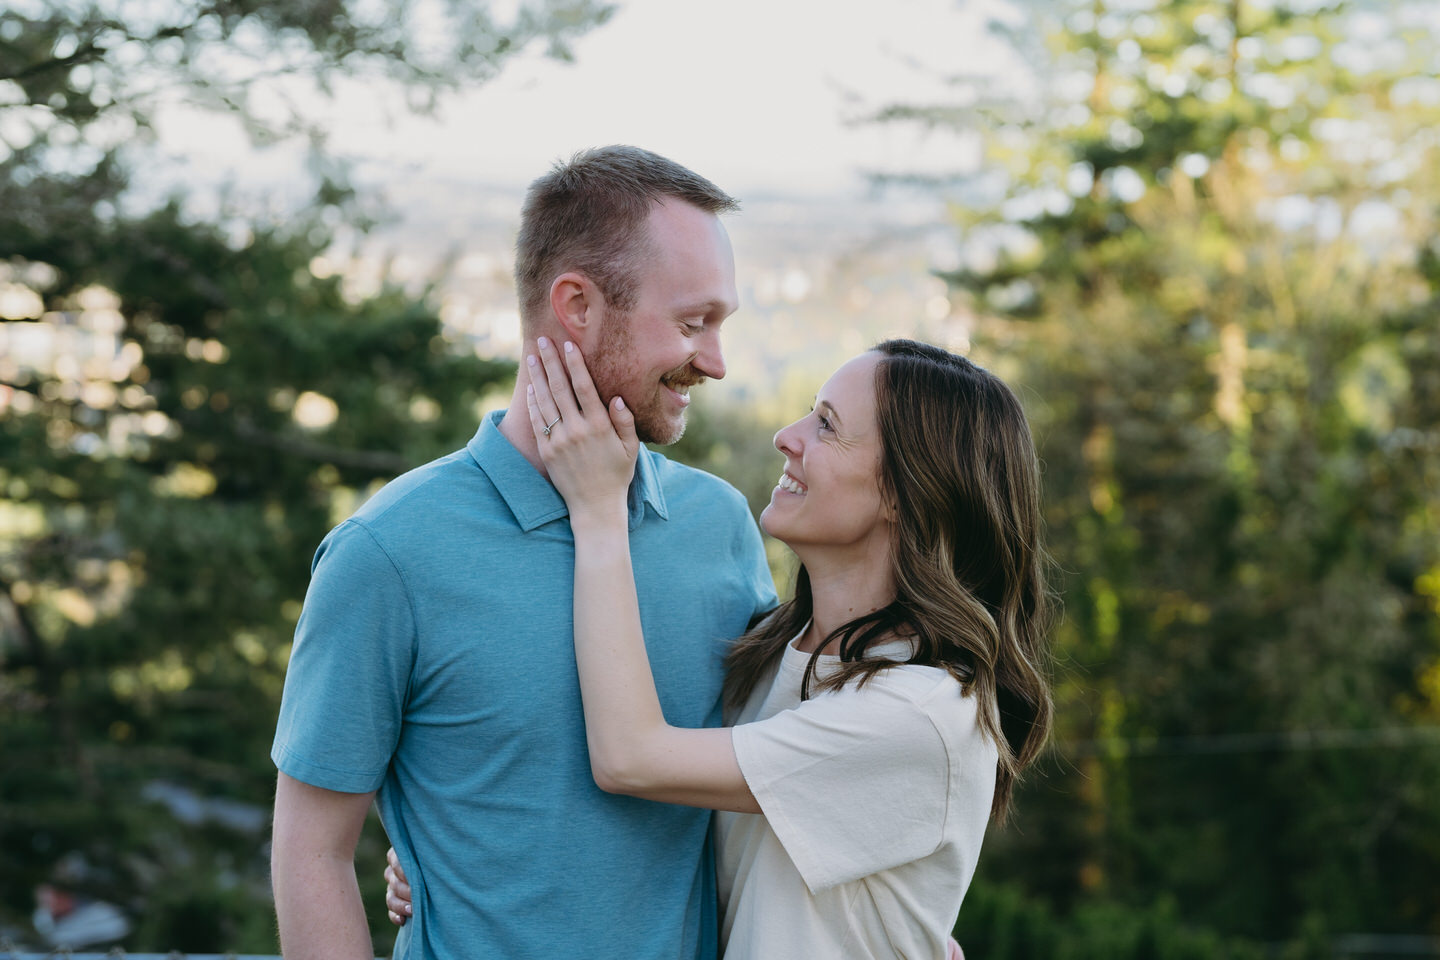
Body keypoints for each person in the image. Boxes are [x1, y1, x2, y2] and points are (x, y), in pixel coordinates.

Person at [269, 146, 777, 960]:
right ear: (576, 304)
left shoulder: (718, 525)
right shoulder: (388, 553)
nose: (713, 361)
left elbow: (788, 774)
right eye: (691, 324)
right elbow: (312, 848)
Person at [388, 337, 1053, 957]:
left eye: (826, 425)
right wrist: (452, 851)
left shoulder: (919, 715)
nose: (786, 437)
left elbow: (630, 758)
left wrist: (599, 512)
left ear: (905, 495)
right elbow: (668, 839)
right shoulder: (772, 647)